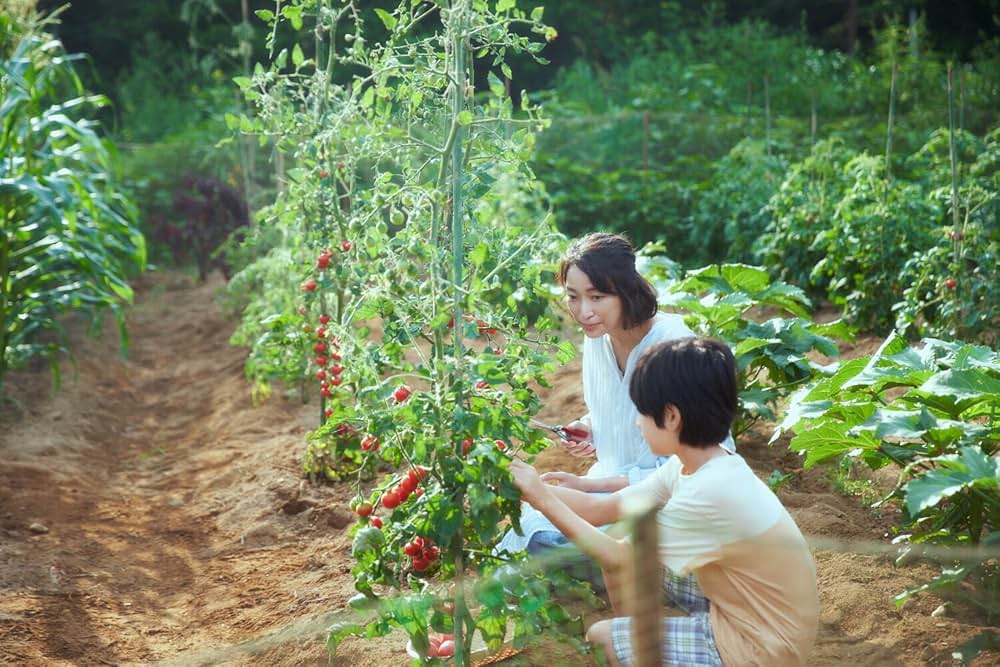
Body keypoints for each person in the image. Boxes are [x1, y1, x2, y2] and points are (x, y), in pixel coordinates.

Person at [509, 337, 818, 666]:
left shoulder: (711, 492)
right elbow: (606, 508)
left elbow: (617, 557)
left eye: (642, 412)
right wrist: (523, 488)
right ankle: (644, 647)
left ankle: (640, 649)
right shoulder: (696, 464)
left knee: (602, 637)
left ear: (671, 417)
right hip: (746, 611)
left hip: (761, 649)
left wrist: (542, 498)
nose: (637, 422)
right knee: (619, 548)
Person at [497, 233, 733, 555]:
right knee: (531, 531)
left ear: (623, 290)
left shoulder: (670, 346)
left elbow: (690, 464)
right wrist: (591, 426)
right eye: (573, 297)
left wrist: (586, 486)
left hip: (675, 495)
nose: (583, 311)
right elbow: (625, 408)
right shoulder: (599, 338)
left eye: (596, 297)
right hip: (614, 488)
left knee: (560, 541)